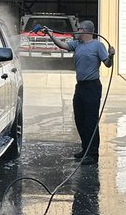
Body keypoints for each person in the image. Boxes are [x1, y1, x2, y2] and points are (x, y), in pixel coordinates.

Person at [39, 19, 114, 159]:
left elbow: (108, 64)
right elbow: (62, 45)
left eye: (79, 29)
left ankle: (92, 154)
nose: (76, 31)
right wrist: (50, 35)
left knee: (90, 121)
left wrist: (111, 55)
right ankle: (85, 149)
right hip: (80, 87)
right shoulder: (77, 44)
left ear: (86, 31)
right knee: (79, 119)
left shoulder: (98, 45)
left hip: (92, 87)